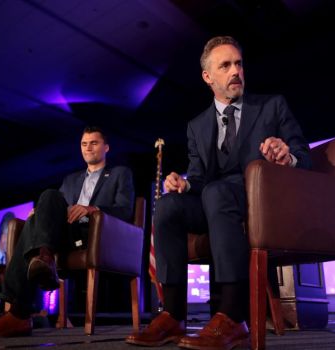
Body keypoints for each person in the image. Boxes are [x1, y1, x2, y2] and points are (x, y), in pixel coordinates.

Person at [125, 36, 311, 349]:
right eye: (225, 65)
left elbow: (303, 156)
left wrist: (286, 156)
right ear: (208, 77)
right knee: (169, 206)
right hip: (216, 201)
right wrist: (184, 184)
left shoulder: (271, 106)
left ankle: (232, 317)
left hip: (260, 201)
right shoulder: (196, 126)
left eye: (238, 63)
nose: (235, 70)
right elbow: (197, 178)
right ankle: (172, 315)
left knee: (216, 193)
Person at [0, 126, 135, 337]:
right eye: (84, 144)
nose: (88, 148)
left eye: (94, 143)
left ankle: (18, 314)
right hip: (65, 236)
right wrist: (40, 214)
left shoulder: (120, 173)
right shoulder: (71, 179)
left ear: (106, 147)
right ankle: (44, 258)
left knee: (35, 221)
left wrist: (92, 209)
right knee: (47, 199)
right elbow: (55, 207)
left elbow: (125, 209)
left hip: (94, 234)